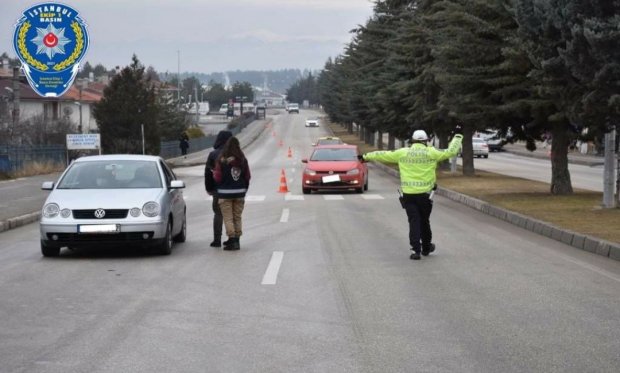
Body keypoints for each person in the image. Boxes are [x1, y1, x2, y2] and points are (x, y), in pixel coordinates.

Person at [361, 127, 463, 260]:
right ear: (426, 141)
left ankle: (416, 250)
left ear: (412, 141)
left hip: (408, 195)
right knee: (424, 221)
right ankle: (426, 247)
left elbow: (382, 154)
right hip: (425, 195)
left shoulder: (403, 152)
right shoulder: (431, 152)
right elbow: (451, 152)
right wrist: (458, 136)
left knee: (414, 221)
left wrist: (364, 157)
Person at [213, 136, 251, 250]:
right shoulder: (242, 160)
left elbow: (218, 178)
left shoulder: (222, 160)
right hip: (240, 193)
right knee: (237, 217)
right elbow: (247, 176)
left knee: (228, 218)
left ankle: (232, 240)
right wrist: (244, 189)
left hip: (225, 194)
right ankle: (236, 240)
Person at [204, 130, 233, 247]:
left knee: (218, 214)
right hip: (233, 189)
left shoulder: (213, 155)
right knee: (231, 214)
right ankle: (233, 239)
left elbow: (208, 173)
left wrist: (209, 188)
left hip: (218, 190)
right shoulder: (236, 154)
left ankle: (217, 240)